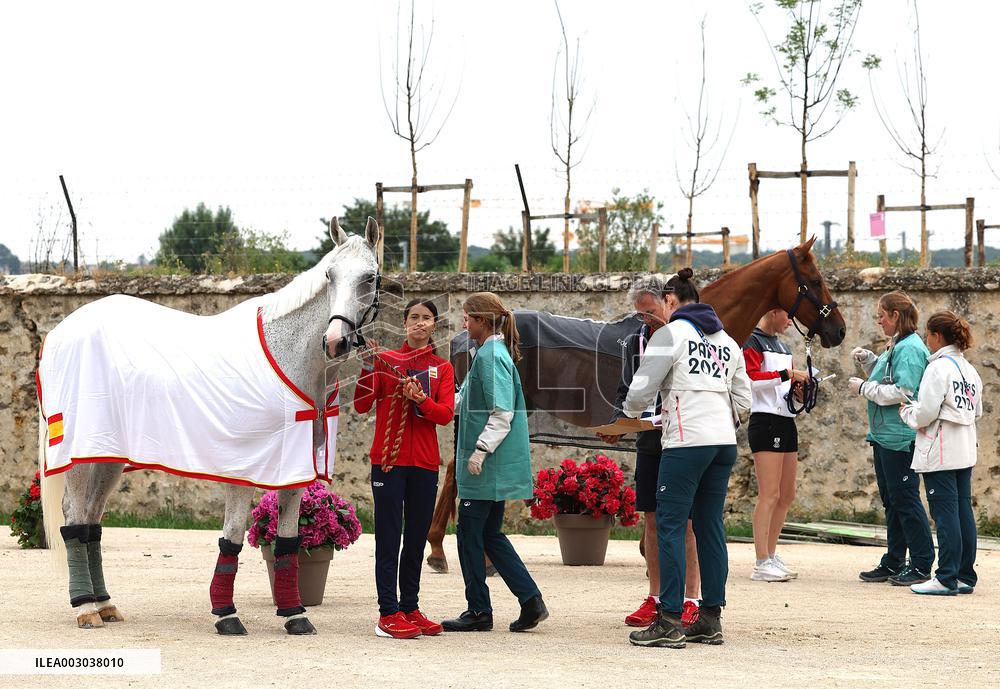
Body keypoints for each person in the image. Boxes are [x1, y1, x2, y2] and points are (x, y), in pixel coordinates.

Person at [622, 268, 752, 649]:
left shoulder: (669, 334)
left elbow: (640, 389)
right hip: (722, 442)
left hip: (685, 442)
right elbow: (743, 400)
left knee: (671, 525)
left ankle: (670, 619)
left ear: (670, 301)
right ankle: (710, 617)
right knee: (710, 525)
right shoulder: (728, 341)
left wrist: (634, 414)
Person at [442, 292, 548, 633]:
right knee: (490, 534)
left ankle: (478, 610)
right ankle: (530, 600)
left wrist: (479, 451)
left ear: (482, 321)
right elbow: (469, 401)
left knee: (470, 535)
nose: (464, 323)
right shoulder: (489, 353)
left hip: (486, 468)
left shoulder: (490, 357)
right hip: (492, 468)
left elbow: (501, 413)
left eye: (468, 318)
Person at [354, 298, 455, 639]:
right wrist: (369, 367)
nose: (419, 322)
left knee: (415, 540)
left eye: (426, 317)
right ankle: (387, 612)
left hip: (424, 465)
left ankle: (410, 607)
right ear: (405, 322)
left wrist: (421, 400)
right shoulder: (385, 361)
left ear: (434, 325)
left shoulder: (442, 368)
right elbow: (361, 403)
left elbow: (444, 415)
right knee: (387, 537)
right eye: (414, 317)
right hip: (388, 461)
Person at [605, 275, 701, 628]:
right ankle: (655, 595)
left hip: (681, 436)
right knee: (651, 519)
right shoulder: (634, 340)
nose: (647, 320)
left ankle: (692, 598)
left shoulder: (687, 338)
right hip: (648, 439)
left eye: (651, 312)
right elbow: (625, 388)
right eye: (641, 315)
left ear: (669, 302)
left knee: (688, 523)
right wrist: (619, 422)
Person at [849, 290, 934, 586]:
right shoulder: (898, 344)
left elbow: (903, 391)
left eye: (881, 316)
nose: (879, 321)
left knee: (905, 499)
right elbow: (887, 378)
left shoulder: (909, 347)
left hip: (900, 437)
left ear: (895, 315)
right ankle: (895, 560)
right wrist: (871, 362)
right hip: (886, 436)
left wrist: (863, 388)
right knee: (893, 500)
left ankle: (922, 563)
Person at [899, 311, 983, 595]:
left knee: (945, 514)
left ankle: (946, 577)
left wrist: (908, 412)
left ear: (936, 336)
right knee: (962, 513)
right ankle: (964, 575)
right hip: (965, 447)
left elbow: (925, 414)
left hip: (941, 450)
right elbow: (977, 411)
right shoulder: (970, 370)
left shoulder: (937, 368)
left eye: (927, 335)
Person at [744, 309, 809, 582]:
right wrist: (787, 374)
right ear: (774, 312)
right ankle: (761, 561)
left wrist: (798, 388)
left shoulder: (782, 345)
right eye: (788, 317)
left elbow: (781, 383)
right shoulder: (752, 341)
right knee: (769, 493)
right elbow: (749, 380)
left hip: (786, 420)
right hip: (765, 420)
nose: (790, 323)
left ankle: (771, 554)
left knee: (786, 493)